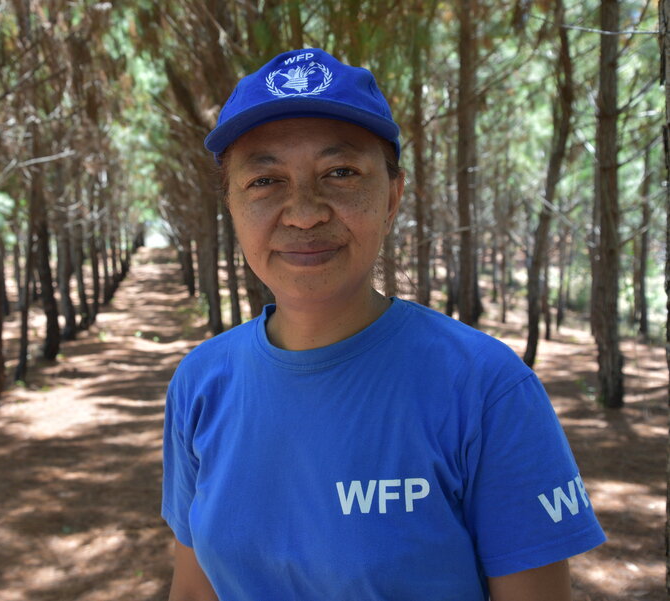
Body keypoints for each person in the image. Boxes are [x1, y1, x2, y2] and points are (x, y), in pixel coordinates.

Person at [161, 48, 605, 601]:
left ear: (392, 197)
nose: (304, 211)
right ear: (231, 204)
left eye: (340, 173)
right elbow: (195, 590)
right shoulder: (200, 383)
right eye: (265, 180)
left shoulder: (485, 387)